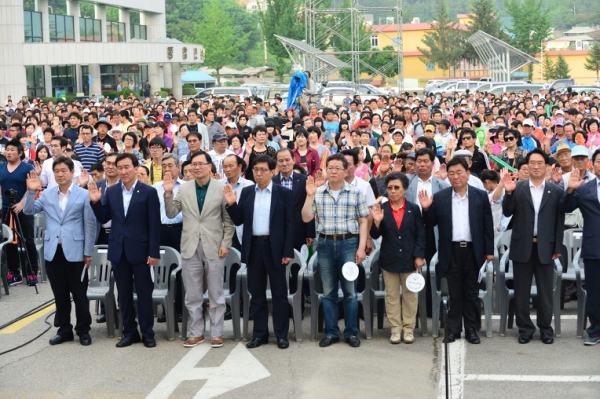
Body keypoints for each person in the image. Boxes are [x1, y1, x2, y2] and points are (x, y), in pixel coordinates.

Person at [88, 153, 162, 348]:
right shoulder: (111, 192)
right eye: (119, 167)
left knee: (144, 294)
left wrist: (154, 252)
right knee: (123, 294)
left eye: (126, 167)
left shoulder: (148, 192)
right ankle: (129, 332)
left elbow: (155, 224)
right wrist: (96, 202)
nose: (123, 171)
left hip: (141, 250)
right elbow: (104, 218)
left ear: (136, 168)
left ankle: (147, 332)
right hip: (118, 250)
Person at [418, 157, 494, 344]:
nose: (455, 176)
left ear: (468, 174)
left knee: (471, 292)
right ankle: (452, 330)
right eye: (451, 173)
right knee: (453, 292)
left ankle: (471, 329)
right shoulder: (442, 197)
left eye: (459, 172)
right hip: (450, 250)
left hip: (473, 250)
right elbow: (430, 223)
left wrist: (489, 250)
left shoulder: (479, 195)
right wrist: (426, 209)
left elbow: (487, 225)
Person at [164, 151, 235, 349]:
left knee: (216, 293)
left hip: (214, 245)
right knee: (192, 294)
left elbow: (229, 222)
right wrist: (168, 193)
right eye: (193, 164)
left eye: (200, 164)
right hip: (190, 245)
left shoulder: (221, 187)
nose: (196, 167)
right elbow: (171, 213)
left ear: (210, 166)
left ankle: (216, 332)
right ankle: (196, 333)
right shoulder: (184, 189)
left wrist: (225, 243)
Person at [224, 155, 295, 349]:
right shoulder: (247, 193)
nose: (259, 173)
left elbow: (290, 224)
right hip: (254, 247)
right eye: (256, 170)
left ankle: (281, 335)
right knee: (256, 293)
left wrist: (288, 250)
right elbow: (239, 221)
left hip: (276, 249)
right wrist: (231, 204)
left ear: (273, 171)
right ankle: (260, 334)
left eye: (263, 169)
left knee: (280, 294)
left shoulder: (283, 194)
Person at [23, 157, 96, 346]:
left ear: (73, 172)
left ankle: (83, 330)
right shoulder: (47, 194)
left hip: (76, 251)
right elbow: (28, 211)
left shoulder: (83, 194)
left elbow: (89, 225)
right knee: (60, 294)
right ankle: (64, 330)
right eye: (57, 171)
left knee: (80, 294)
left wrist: (88, 251)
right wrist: (31, 191)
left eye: (64, 170)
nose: (60, 174)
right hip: (53, 251)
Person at [302, 153, 370, 348]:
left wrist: (361, 247)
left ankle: (351, 333)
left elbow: (363, 220)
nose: (333, 171)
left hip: (348, 244)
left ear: (346, 170)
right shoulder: (318, 192)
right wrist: (309, 196)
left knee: (350, 292)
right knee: (329, 292)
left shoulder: (356, 193)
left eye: (337, 168)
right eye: (329, 167)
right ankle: (331, 332)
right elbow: (306, 218)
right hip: (324, 245)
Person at [502, 148, 565, 345]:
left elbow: (559, 221)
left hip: (546, 246)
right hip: (522, 246)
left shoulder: (555, 190)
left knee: (545, 292)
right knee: (521, 291)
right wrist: (508, 193)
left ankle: (545, 328)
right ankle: (525, 328)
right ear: (526, 166)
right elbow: (506, 212)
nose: (536, 166)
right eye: (532, 163)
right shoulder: (518, 187)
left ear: (547, 166)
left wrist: (558, 247)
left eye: (540, 163)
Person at [370, 172, 425, 344]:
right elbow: (374, 235)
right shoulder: (382, 209)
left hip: (410, 259)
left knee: (410, 295)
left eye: (397, 188)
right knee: (391, 295)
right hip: (389, 258)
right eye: (390, 188)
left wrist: (419, 255)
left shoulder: (413, 209)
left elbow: (420, 234)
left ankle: (408, 329)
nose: (393, 191)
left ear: (405, 189)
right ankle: (395, 329)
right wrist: (377, 222)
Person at [561, 151, 600, 345]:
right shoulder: (585, 189)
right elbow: (565, 207)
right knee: (594, 291)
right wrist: (570, 190)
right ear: (593, 164)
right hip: (594, 247)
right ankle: (595, 330)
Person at [0, 139, 38, 286]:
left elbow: (32, 188)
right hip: (6, 209)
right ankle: (14, 272)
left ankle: (31, 271)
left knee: (27, 239)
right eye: (7, 149)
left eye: (12, 150)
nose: (9, 152)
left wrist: (21, 204)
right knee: (8, 240)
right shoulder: (1, 167)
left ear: (20, 153)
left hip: (24, 209)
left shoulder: (27, 168)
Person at [272, 148, 315, 250]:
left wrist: (310, 232)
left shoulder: (304, 180)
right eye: (281, 161)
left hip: (299, 230)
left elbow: (309, 204)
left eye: (287, 160)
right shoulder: (271, 182)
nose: (284, 163)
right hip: (277, 232)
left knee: (298, 263)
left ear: (294, 160)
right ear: (277, 163)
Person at [221, 154, 253, 251]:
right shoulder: (219, 185)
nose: (227, 169)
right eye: (225, 167)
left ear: (239, 166)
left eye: (231, 166)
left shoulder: (249, 185)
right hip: (224, 232)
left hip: (243, 232)